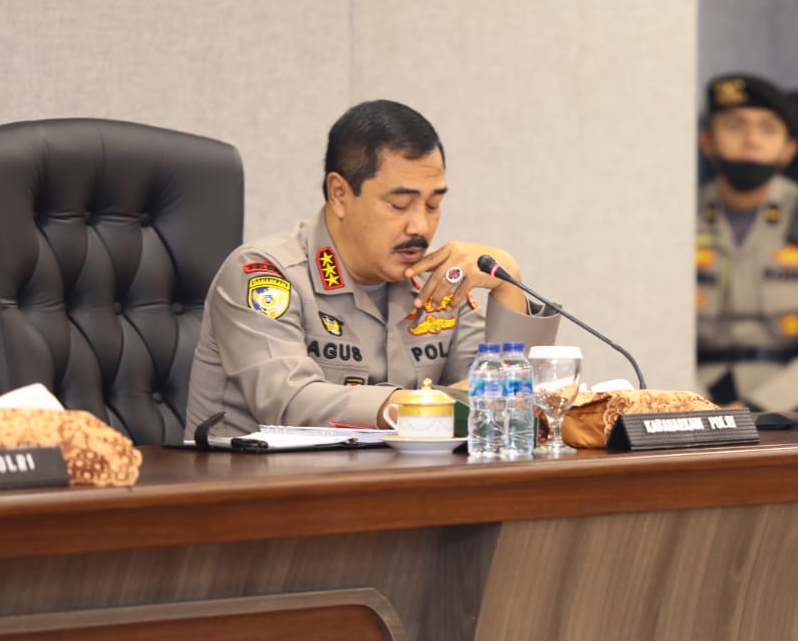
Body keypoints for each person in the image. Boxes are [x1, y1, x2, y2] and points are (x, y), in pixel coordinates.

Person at [185, 99, 559, 437]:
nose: (421, 226)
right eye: (399, 205)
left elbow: (508, 415)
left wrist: (506, 279)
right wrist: (420, 405)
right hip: (260, 484)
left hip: (395, 484)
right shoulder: (265, 273)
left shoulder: (435, 281)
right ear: (340, 194)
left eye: (433, 206)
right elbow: (290, 402)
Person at [696, 73, 798, 413]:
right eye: (734, 126)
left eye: (768, 129)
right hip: (697, 387)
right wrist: (692, 403)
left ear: (790, 150)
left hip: (796, 393)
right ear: (707, 141)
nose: (751, 140)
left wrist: (756, 407)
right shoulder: (678, 222)